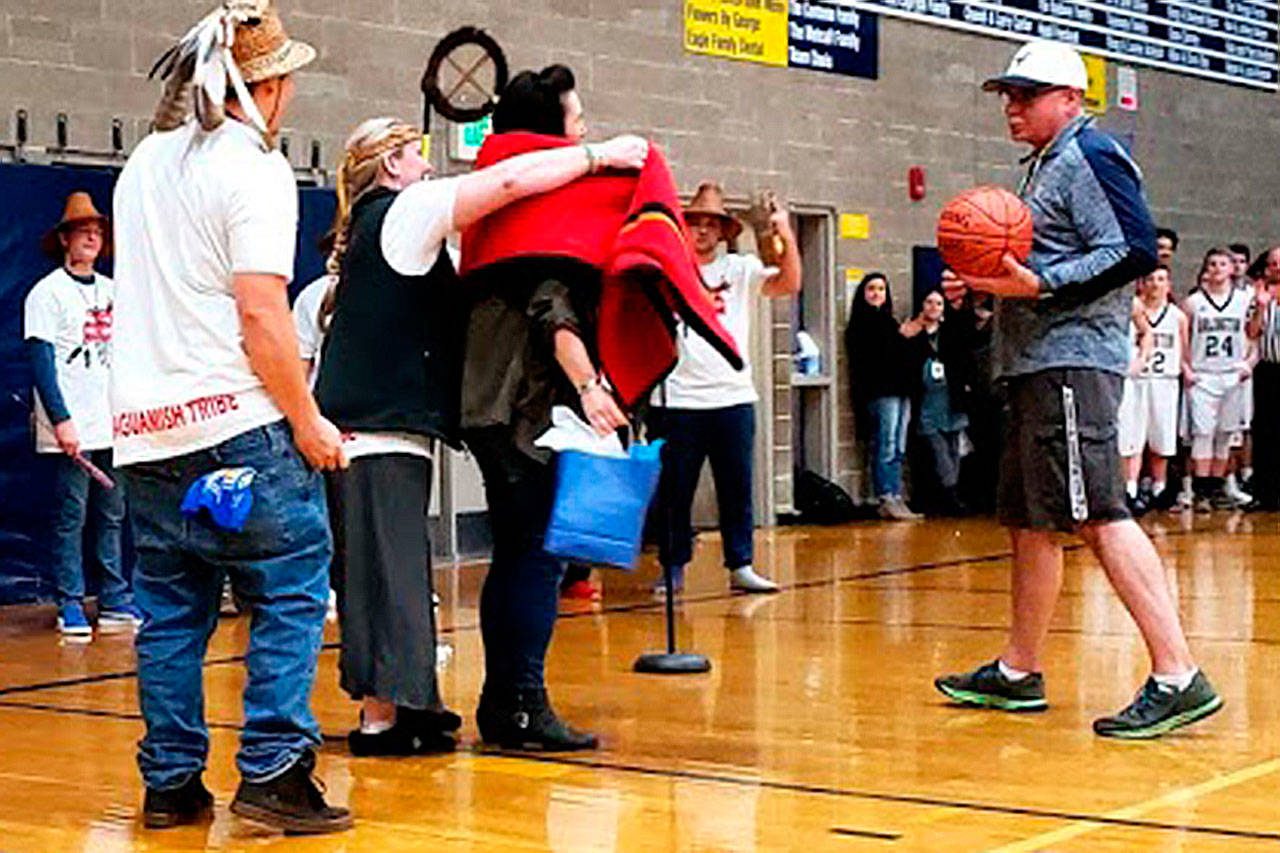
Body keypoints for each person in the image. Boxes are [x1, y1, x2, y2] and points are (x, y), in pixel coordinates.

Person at [314, 116, 646, 755]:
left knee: (400, 575)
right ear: (390, 168)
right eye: (417, 155)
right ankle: (382, 723)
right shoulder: (404, 211)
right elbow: (510, 180)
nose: (428, 167)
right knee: (384, 577)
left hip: (386, 431)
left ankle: (410, 708)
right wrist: (598, 155)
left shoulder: (380, 226)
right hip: (372, 431)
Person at [934, 40, 1220, 738]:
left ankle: (1177, 673)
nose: (1011, 106)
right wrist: (987, 284)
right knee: (1031, 520)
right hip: (1035, 362)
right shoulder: (1041, 168)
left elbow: (1132, 246)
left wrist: (1039, 282)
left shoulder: (1089, 154)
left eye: (1025, 94)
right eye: (1007, 94)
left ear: (1070, 98)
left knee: (1098, 510)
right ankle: (1018, 669)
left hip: (1072, 362)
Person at [112, 3, 351, 833]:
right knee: (289, 588)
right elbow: (260, 315)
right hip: (237, 429)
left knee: (171, 612)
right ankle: (275, 769)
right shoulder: (255, 167)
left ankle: (171, 783)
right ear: (273, 87)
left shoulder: (142, 162)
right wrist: (311, 422)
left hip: (145, 435)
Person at [457, 64, 654, 751]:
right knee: (536, 559)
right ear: (551, 132)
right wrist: (594, 389)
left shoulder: (500, 203)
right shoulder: (555, 208)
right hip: (525, 407)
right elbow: (554, 309)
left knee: (516, 556)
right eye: (576, 120)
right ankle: (523, 706)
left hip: (487, 403)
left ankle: (500, 705)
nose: (585, 130)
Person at [648, 181, 802, 595]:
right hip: (677, 398)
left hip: (732, 397)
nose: (701, 231)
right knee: (674, 490)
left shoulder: (741, 269)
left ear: (722, 232)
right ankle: (673, 564)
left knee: (737, 486)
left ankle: (741, 563)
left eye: (710, 224)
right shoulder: (666, 270)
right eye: (694, 223)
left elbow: (789, 282)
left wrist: (782, 231)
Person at [24, 192, 140, 638]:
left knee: (113, 512)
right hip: (72, 423)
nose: (92, 237)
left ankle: (114, 597)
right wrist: (61, 419)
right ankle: (69, 600)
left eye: (97, 232)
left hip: (112, 422)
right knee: (71, 514)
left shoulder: (115, 292)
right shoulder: (46, 294)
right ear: (65, 239)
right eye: (83, 231)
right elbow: (41, 363)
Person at [1181, 247, 1256, 511]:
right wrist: (1186, 368)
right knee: (1202, 434)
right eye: (1211, 263)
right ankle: (1200, 492)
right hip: (1203, 374)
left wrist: (1248, 363)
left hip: (1232, 373)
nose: (1216, 268)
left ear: (1231, 269)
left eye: (1222, 264)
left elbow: (1254, 335)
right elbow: (1183, 338)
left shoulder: (1245, 301)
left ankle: (1216, 488)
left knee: (1225, 435)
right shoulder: (1193, 302)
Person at [844, 273, 920, 520]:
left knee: (898, 445)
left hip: (900, 389)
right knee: (885, 444)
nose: (876, 294)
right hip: (880, 392)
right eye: (871, 289)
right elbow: (873, 358)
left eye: (881, 289)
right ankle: (885, 495)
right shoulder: (860, 325)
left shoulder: (890, 321)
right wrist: (900, 338)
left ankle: (896, 494)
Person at [1117, 267, 1185, 514]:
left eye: (1161, 279)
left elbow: (1184, 351)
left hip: (1164, 380)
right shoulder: (1131, 311)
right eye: (1150, 279)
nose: (1155, 284)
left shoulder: (1177, 316)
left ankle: (1160, 489)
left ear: (1168, 284)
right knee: (1130, 438)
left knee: (1162, 438)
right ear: (1141, 283)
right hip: (1134, 380)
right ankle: (1130, 489)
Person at [900, 290, 970, 515]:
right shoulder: (914, 333)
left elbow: (963, 361)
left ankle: (953, 490)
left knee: (953, 448)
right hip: (926, 400)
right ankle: (950, 494)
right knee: (937, 448)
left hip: (950, 397)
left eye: (938, 303)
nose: (933, 307)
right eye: (929, 302)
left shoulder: (951, 333)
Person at [1246, 247, 1280, 509]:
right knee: (1265, 430)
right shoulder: (1258, 295)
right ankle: (1265, 492)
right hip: (1268, 369)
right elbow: (1251, 332)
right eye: (1273, 263)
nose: (1277, 267)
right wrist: (1260, 307)